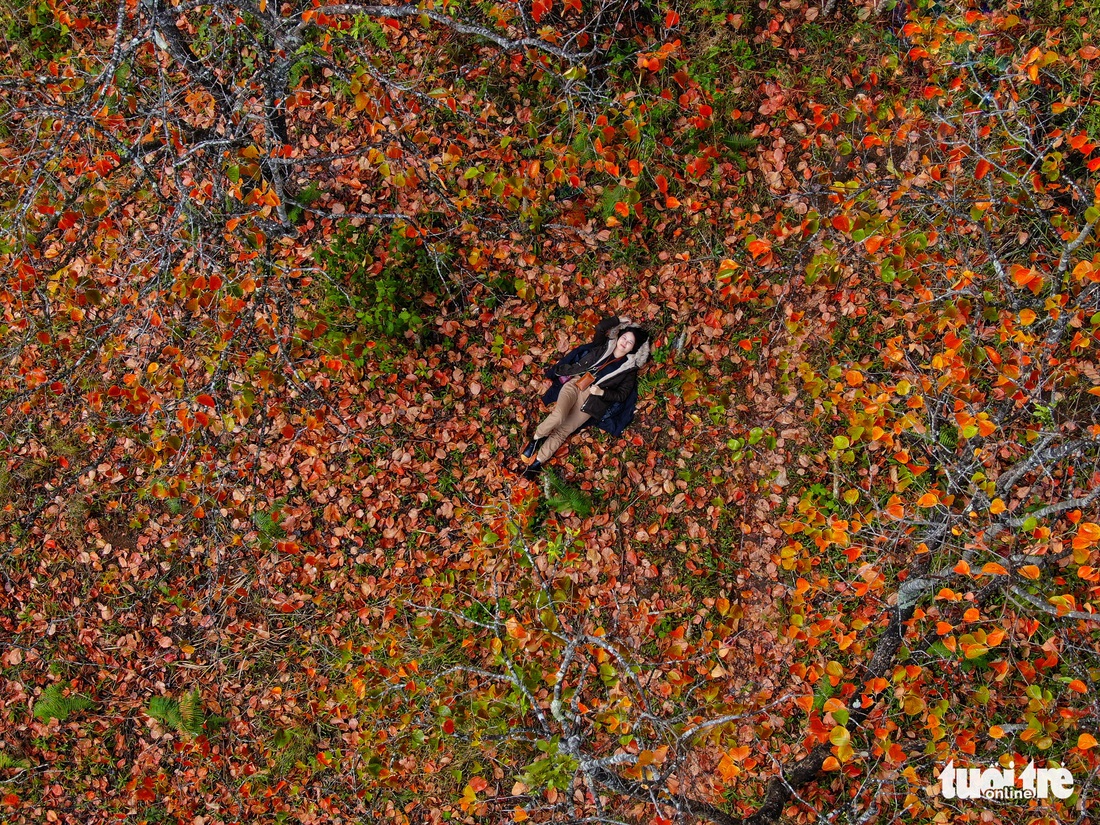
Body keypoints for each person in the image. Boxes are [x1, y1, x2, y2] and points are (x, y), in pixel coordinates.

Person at [521, 315, 650, 480]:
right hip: (576, 385)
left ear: (633, 348)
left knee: (563, 431)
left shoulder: (628, 369)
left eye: (629, 342)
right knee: (559, 416)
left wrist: (602, 393)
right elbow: (600, 328)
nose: (624, 342)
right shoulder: (604, 346)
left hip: (591, 402)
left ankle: (537, 463)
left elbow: (622, 395)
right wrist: (618, 320)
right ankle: (535, 440)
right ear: (619, 336)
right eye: (624, 337)